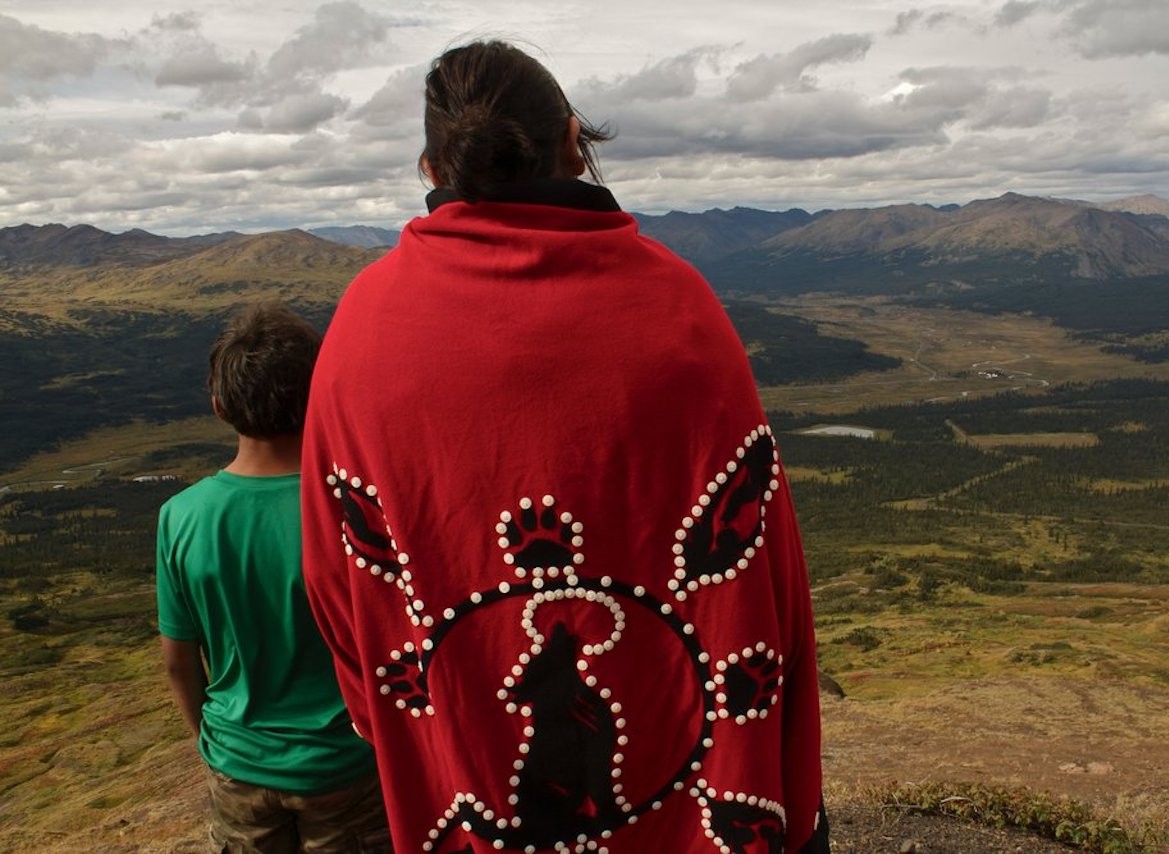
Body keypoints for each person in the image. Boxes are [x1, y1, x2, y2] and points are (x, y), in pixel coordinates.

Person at [301, 40, 829, 853]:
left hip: (466, 775)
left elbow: (341, 582)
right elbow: (760, 557)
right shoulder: (677, 307)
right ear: (573, 141)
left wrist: (414, 730)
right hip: (684, 801)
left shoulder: (364, 325)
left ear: (430, 165)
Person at [156, 303, 390, 853]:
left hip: (238, 762)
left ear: (218, 406)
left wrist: (214, 744)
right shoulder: (356, 510)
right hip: (346, 763)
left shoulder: (181, 515)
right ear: (318, 399)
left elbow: (178, 661)